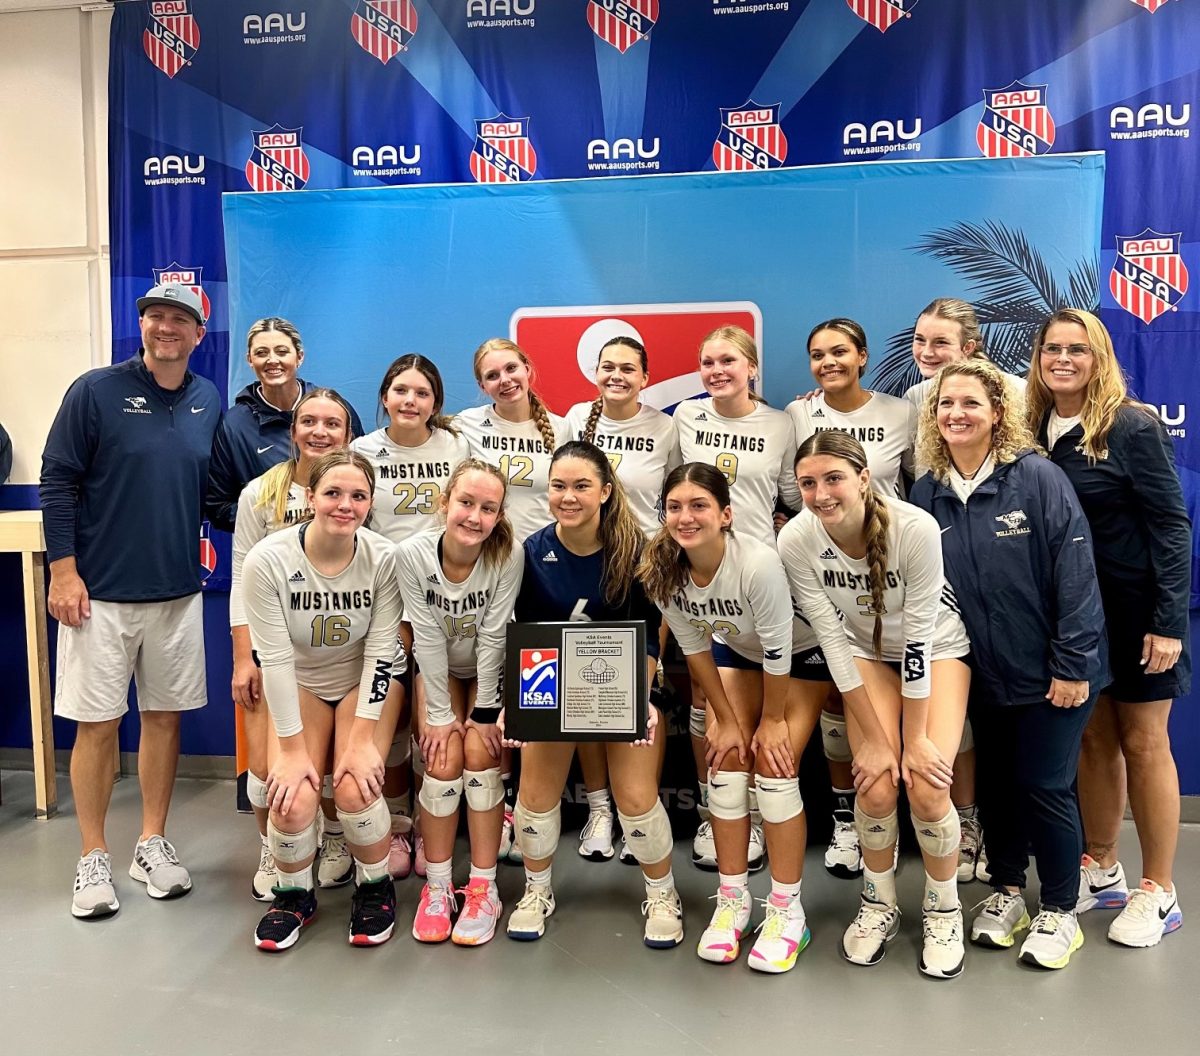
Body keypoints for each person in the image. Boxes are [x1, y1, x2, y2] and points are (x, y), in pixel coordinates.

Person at [911, 357, 1108, 969]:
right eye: (946, 404)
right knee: (996, 783)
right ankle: (1006, 891)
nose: (956, 414)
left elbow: (1076, 575)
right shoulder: (927, 493)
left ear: (999, 413)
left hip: (1054, 671)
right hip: (978, 673)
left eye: (971, 403)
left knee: (1045, 784)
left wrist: (1073, 663)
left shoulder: (1037, 479)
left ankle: (1060, 908)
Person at [40, 283, 220, 920]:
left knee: (165, 718)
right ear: (141, 326)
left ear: (200, 334)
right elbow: (56, 481)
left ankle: (151, 840)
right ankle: (93, 855)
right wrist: (64, 573)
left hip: (176, 592)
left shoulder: (207, 399)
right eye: (155, 317)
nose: (165, 327)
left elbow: (216, 494)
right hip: (100, 595)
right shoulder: (95, 391)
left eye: (179, 319)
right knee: (97, 725)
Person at [779, 431, 972, 978]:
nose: (821, 494)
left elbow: (917, 638)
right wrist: (879, 743)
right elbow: (833, 642)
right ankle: (878, 901)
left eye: (833, 478)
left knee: (930, 785)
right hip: (863, 653)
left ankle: (943, 908)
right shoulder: (796, 539)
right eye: (808, 483)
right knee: (877, 781)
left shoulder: (915, 528)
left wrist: (914, 742)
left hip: (935, 649)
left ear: (864, 479)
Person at [1028, 309, 1189, 949]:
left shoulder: (1131, 426)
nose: (1062, 359)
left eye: (1077, 350)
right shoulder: (1033, 430)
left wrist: (1168, 622)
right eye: (1051, 349)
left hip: (1137, 613)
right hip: (1074, 619)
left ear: (1099, 358)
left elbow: (1172, 527)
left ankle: (1160, 891)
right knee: (1092, 743)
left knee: (1144, 743)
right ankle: (1103, 866)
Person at [639, 462, 831, 973]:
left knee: (774, 767)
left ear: (726, 514)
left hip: (802, 655)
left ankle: (789, 911)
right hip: (737, 653)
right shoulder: (663, 569)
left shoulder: (757, 562)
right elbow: (695, 648)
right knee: (724, 766)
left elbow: (778, 650)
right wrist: (724, 720)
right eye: (675, 507)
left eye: (699, 506)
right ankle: (732, 901)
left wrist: (769, 723)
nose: (686, 517)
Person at [502, 442, 679, 949]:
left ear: (605, 491)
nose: (569, 496)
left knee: (637, 801)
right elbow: (523, 634)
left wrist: (641, 698)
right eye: (559, 485)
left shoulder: (638, 552)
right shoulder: (532, 553)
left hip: (627, 688)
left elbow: (651, 632)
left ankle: (662, 893)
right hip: (554, 688)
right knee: (534, 799)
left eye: (581, 486)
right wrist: (516, 704)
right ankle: (536, 891)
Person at [243, 450, 404, 950]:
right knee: (290, 800)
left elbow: (383, 652)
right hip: (302, 680)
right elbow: (275, 659)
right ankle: (294, 894)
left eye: (358, 496)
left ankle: (375, 886)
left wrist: (360, 741)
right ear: (309, 497)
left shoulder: (384, 558)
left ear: (370, 502)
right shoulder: (269, 559)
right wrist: (289, 754)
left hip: (364, 678)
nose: (345, 505)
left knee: (355, 787)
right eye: (333, 493)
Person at [785, 317, 916, 884]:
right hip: (831, 574)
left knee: (941, 734)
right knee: (842, 702)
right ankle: (845, 820)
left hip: (897, 577)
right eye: (817, 354)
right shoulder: (797, 414)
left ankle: (962, 829)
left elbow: (919, 484)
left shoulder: (900, 412)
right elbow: (795, 493)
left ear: (862, 356)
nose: (828, 362)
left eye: (839, 351)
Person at [674, 325, 801, 873]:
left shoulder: (780, 423)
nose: (717, 370)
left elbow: (795, 496)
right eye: (707, 362)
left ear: (752, 367)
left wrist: (777, 524)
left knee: (769, 725)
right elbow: (679, 490)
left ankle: (758, 812)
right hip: (704, 578)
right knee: (710, 710)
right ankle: (719, 815)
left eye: (728, 359)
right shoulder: (686, 418)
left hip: (761, 578)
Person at [229, 388, 354, 901]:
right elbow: (240, 573)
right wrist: (244, 657)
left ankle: (337, 840)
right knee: (266, 768)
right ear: (293, 430)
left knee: (331, 765)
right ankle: (271, 844)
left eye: (332, 423)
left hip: (340, 648)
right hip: (274, 649)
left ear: (348, 435)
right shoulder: (261, 492)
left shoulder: (357, 489)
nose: (319, 432)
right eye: (309, 422)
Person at [351, 354, 471, 879]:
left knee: (431, 719)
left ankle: (429, 826)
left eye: (422, 393)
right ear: (384, 396)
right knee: (390, 714)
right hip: (382, 596)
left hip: (440, 591)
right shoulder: (361, 451)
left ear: (435, 404)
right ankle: (396, 822)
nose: (410, 401)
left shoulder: (455, 446)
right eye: (401, 390)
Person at [396, 459, 523, 946]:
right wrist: (439, 716)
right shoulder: (411, 554)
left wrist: (486, 712)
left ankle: (484, 888)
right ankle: (438, 887)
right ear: (444, 502)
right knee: (444, 756)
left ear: (499, 515)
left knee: (480, 753)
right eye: (466, 503)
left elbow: (494, 635)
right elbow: (425, 637)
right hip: (441, 668)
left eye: (487, 508)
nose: (474, 516)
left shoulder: (506, 554)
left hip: (490, 668)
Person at [564, 335, 680, 862]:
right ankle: (599, 810)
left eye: (627, 368)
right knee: (588, 692)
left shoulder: (664, 427)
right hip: (587, 565)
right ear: (595, 372)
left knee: (642, 690)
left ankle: (640, 811)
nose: (617, 375)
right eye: (607, 367)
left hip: (645, 568)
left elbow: (672, 496)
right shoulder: (573, 420)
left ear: (645, 376)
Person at [206, 317, 364, 533]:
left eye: (282, 352)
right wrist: (273, 518)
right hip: (271, 557)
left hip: (337, 549)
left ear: (299, 357)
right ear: (249, 359)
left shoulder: (335, 409)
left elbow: (363, 481)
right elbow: (218, 507)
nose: (272, 360)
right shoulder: (234, 425)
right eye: (262, 353)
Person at [454, 338, 570, 544]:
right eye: (492, 376)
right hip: (489, 553)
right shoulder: (467, 424)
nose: (505, 380)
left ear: (526, 369)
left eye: (511, 368)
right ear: (483, 387)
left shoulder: (562, 429)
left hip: (544, 554)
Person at [904, 297, 1026, 424]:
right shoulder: (914, 397)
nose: (927, 353)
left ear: (968, 347)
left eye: (941, 342)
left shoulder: (1018, 391)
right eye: (920, 340)